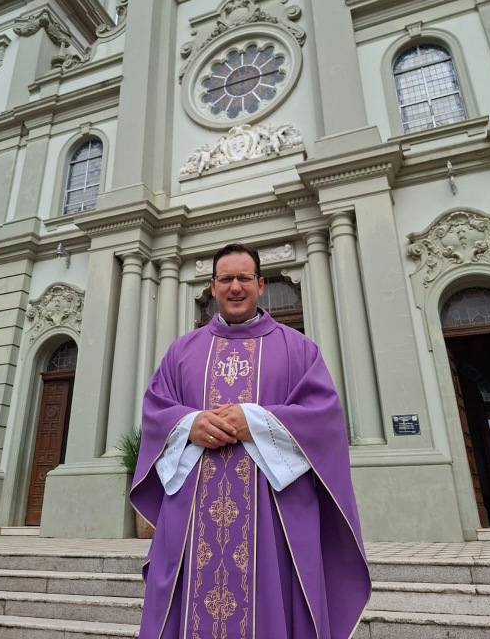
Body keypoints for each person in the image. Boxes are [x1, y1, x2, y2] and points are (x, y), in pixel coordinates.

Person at [131, 242, 371, 639]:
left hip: (272, 522)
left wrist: (256, 421)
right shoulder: (181, 353)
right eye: (226, 279)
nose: (235, 287)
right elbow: (156, 410)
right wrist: (188, 424)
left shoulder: (299, 349)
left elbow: (324, 418)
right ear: (212, 287)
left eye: (244, 278)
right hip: (194, 517)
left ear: (261, 284)